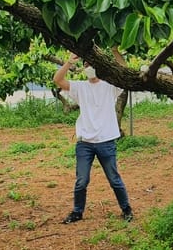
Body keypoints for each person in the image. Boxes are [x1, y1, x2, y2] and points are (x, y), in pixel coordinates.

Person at [53, 49, 134, 224]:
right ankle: (77, 212)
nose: (89, 67)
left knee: (114, 179)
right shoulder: (80, 87)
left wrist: (115, 51)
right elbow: (58, 80)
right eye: (86, 65)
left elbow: (125, 71)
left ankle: (126, 209)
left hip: (106, 142)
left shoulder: (110, 86)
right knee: (81, 180)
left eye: (92, 65)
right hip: (85, 144)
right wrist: (69, 62)